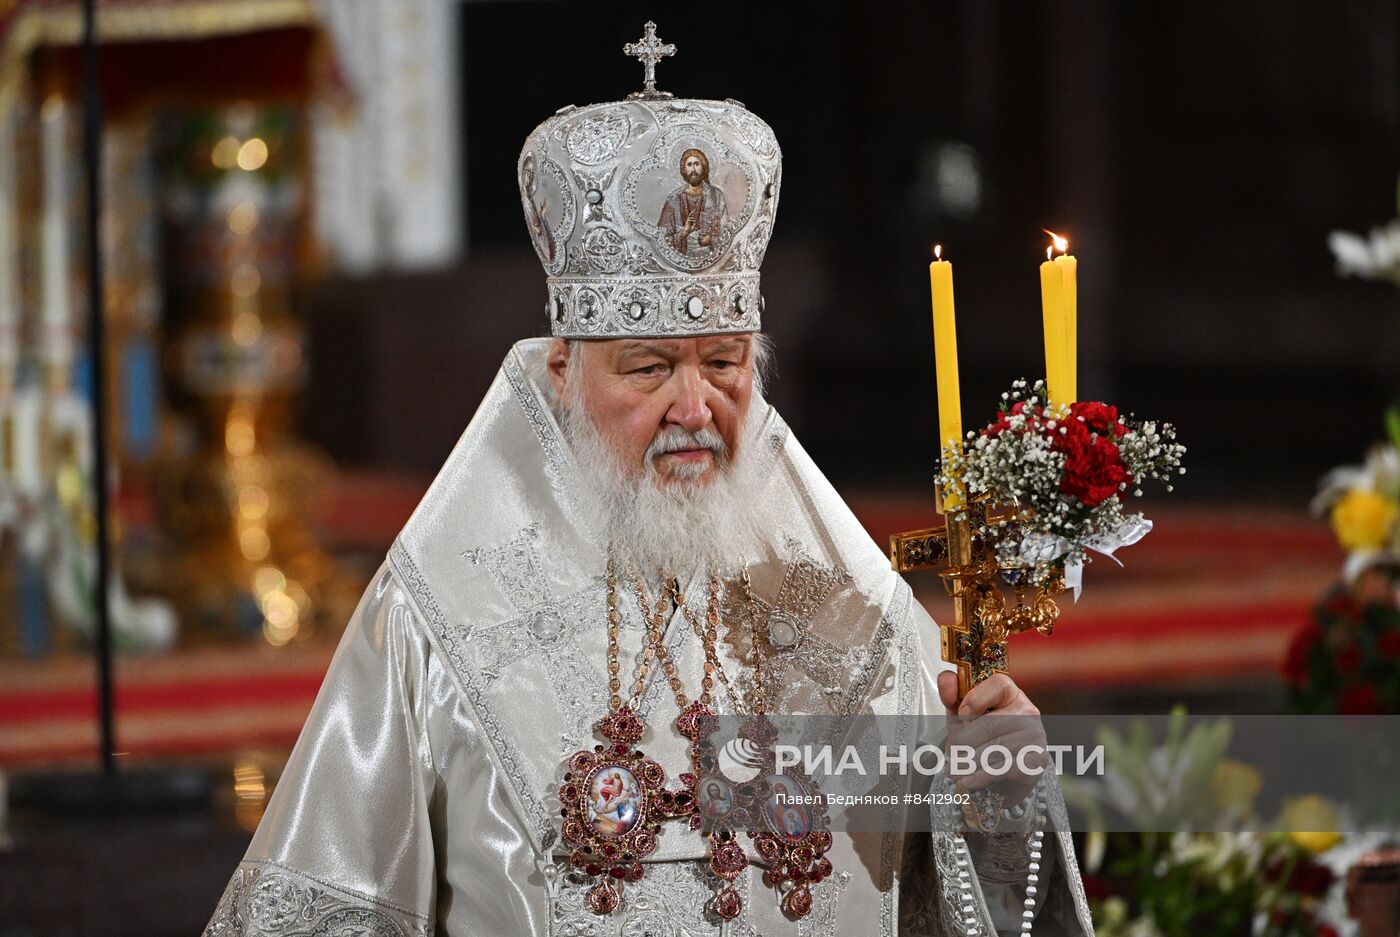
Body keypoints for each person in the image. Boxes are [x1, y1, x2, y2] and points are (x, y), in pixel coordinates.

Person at [203, 26, 1093, 937]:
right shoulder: (440, 620)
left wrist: (997, 793)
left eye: (724, 362)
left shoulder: (851, 607)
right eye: (647, 368)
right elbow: (322, 907)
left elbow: (957, 885)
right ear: (563, 372)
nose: (695, 405)